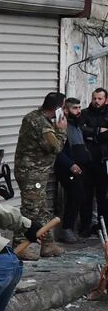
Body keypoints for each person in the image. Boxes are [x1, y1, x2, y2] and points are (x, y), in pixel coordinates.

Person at [15, 91, 66, 259]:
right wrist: (62, 130)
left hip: (36, 172)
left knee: (42, 209)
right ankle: (19, 244)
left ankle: (47, 243)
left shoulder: (34, 116)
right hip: (32, 174)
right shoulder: (42, 125)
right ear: (58, 108)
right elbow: (55, 147)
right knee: (31, 209)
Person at [55, 97, 94, 242]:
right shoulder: (61, 125)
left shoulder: (77, 123)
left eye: (79, 107)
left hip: (81, 166)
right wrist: (70, 164)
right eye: (74, 108)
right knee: (75, 195)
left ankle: (76, 227)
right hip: (68, 168)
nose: (78, 111)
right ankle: (66, 228)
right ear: (66, 110)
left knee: (81, 196)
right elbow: (58, 150)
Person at [79, 86, 108, 226]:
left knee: (103, 196)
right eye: (94, 98)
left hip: (103, 160)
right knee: (85, 196)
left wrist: (92, 135)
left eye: (100, 99)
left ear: (106, 100)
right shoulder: (84, 113)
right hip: (87, 160)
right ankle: (85, 226)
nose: (96, 101)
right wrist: (97, 131)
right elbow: (80, 130)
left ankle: (103, 227)